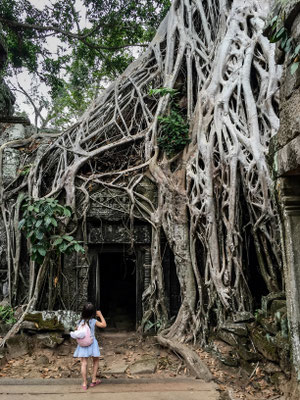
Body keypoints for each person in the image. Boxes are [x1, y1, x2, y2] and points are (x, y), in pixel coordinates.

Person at [73, 302, 107, 390]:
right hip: (92, 343)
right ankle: (93, 380)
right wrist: (100, 315)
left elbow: (76, 330)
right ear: (93, 313)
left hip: (83, 345)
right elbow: (104, 325)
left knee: (84, 363)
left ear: (83, 312)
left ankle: (84, 383)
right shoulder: (93, 321)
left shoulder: (79, 321)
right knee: (95, 361)